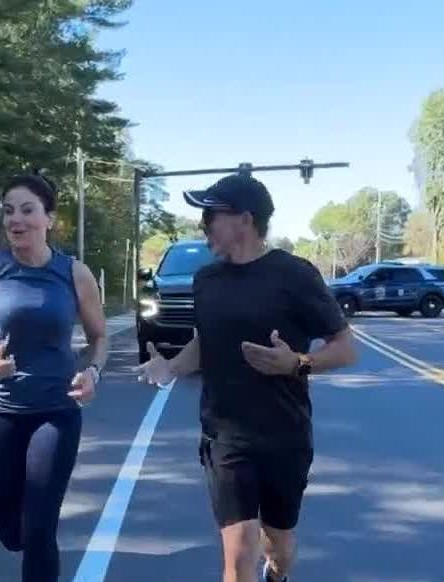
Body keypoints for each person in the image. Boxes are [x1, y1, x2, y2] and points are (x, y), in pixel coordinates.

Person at [136, 173, 357, 582]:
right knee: (237, 558)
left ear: (244, 219)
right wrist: (171, 366)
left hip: (283, 434)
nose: (203, 223)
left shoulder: (294, 275)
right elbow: (207, 341)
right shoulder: (206, 280)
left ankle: (278, 574)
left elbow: (345, 347)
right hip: (225, 436)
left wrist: (297, 363)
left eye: (211, 214)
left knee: (279, 545)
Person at [0, 171, 108, 582]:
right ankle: (18, 533)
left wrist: (92, 370)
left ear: (49, 219)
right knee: (12, 532)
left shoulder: (74, 273)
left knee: (40, 529)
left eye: (27, 210)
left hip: (55, 411)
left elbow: (99, 337)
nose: (16, 220)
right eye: (9, 212)